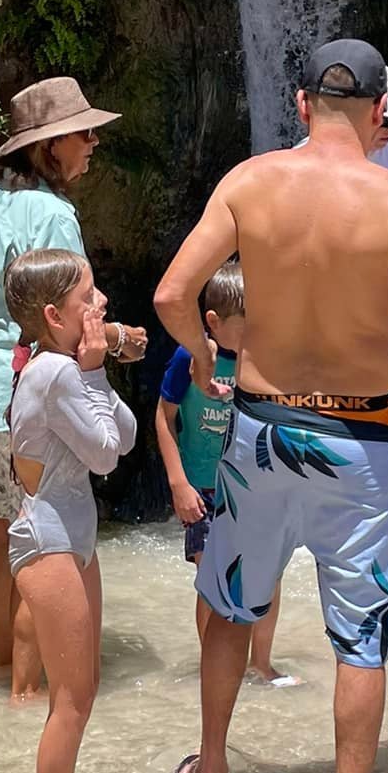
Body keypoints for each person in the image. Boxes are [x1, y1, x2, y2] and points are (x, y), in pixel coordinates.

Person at [155, 38, 388, 773]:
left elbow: (171, 294)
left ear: (299, 106)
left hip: (260, 431)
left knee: (229, 608)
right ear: (376, 115)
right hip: (361, 446)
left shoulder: (250, 182)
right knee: (360, 642)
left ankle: (214, 770)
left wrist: (204, 358)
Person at [0, 77, 146, 703]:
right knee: (47, 546)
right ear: (47, 146)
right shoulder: (54, 214)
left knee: (6, 533)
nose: (92, 145)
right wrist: (118, 340)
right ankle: (36, 698)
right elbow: (68, 319)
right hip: (27, 392)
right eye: (83, 134)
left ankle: (4, 670)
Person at [4, 248, 137, 773]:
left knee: (78, 690)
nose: (102, 304)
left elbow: (126, 433)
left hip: (68, 537)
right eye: (89, 298)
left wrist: (97, 371)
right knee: (74, 699)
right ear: (56, 315)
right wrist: (93, 371)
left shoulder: (58, 369)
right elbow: (108, 456)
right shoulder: (56, 375)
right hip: (48, 539)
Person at [155, 260, 296, 688]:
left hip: (255, 486)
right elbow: (163, 417)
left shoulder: (261, 358)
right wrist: (178, 482)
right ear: (213, 322)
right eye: (245, 325)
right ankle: (212, 665)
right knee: (212, 582)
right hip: (202, 487)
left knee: (269, 576)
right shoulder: (192, 357)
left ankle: (261, 663)